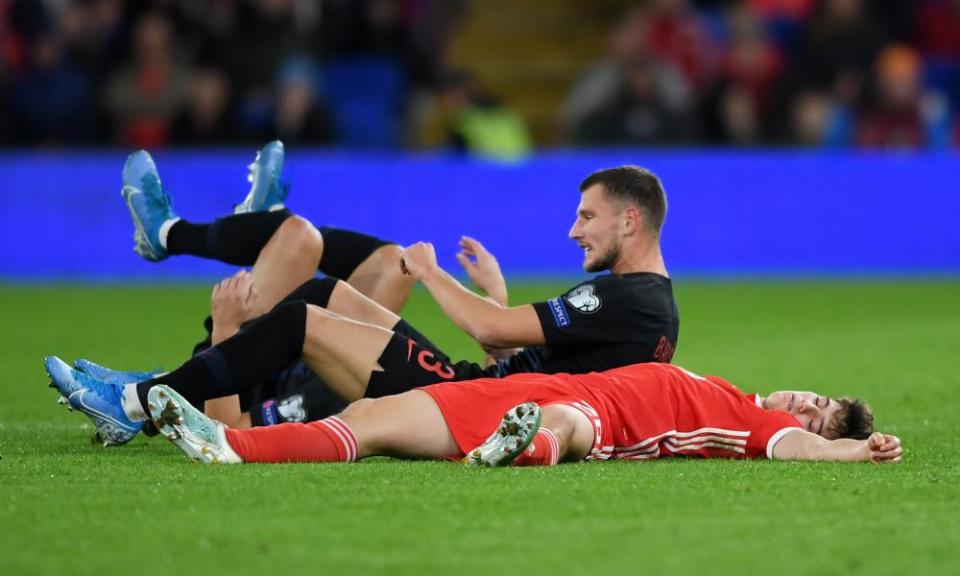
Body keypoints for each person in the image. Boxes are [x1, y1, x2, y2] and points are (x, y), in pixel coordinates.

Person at [47, 161, 680, 447]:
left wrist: (435, 277)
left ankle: (139, 402)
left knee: (302, 315)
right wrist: (496, 296)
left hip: (466, 403)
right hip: (488, 393)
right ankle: (156, 382)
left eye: (586, 216)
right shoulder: (644, 306)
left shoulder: (630, 298)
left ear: (629, 222)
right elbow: (532, 361)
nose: (574, 230)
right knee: (322, 290)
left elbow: (489, 331)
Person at [140, 362, 902, 466]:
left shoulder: (760, 428)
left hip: (599, 417)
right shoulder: (732, 388)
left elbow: (797, 451)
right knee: (371, 414)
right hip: (537, 385)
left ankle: (523, 450)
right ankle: (234, 444)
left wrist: (853, 452)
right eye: (817, 396)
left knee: (564, 424)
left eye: (821, 415)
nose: (806, 406)